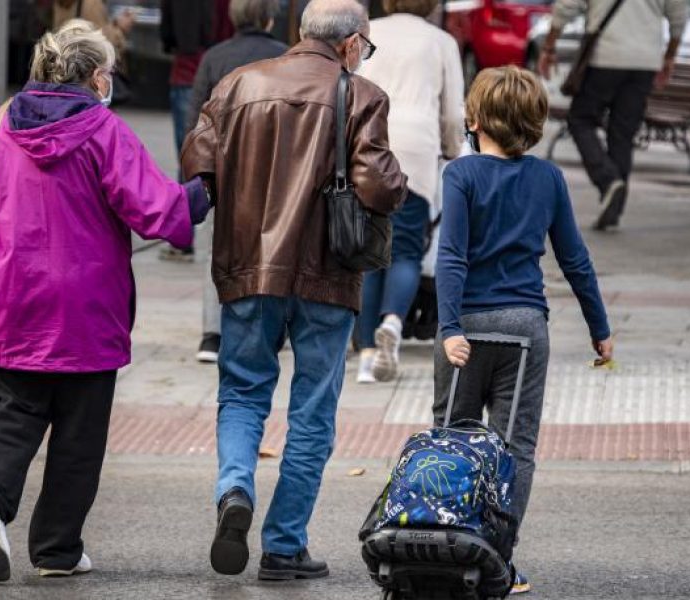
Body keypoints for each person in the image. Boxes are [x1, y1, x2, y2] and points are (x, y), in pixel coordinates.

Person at [0, 19, 210, 583]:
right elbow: (158, 212)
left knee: (10, 416)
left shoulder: (0, 121)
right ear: (97, 75)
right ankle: (57, 550)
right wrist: (204, 194)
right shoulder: (104, 131)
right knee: (78, 440)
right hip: (87, 312)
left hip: (12, 302)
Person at [181, 0, 407, 580]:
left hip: (247, 267)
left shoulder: (237, 85)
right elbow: (378, 186)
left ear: (301, 34)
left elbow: (196, 168)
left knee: (242, 392)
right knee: (312, 410)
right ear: (353, 43)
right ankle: (283, 546)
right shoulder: (361, 95)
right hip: (325, 272)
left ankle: (235, 490)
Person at [435, 66, 614, 595]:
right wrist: (598, 328)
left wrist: (447, 327)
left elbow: (451, 259)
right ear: (535, 123)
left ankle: (446, 548)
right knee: (516, 449)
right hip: (525, 329)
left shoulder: (460, 175)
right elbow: (575, 260)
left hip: (465, 329)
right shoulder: (548, 178)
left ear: (474, 118)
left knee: (453, 439)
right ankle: (498, 563)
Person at [354, 0, 464, 384]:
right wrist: (450, 150)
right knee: (405, 248)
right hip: (416, 150)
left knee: (369, 251)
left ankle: (367, 354)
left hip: (369, 144)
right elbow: (452, 113)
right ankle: (393, 322)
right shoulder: (441, 42)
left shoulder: (371, 30)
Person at [186, 0, 289, 363]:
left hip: (224, 172)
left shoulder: (214, 57)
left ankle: (211, 336)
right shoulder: (285, 57)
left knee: (215, 250)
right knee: (273, 248)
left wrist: (199, 175)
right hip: (275, 173)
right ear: (269, 17)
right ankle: (269, 327)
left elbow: (196, 120)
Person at [539, 0, 689, 230]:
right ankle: (614, 208)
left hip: (605, 56)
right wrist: (669, 56)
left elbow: (566, 6)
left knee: (580, 119)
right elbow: (678, 15)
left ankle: (608, 180)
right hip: (645, 61)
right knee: (622, 133)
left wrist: (549, 46)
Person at [160, 0, 233, 262]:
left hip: (187, 72)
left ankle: (183, 238)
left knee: (189, 155)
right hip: (226, 73)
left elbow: (168, 31)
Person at [52, 0, 134, 60]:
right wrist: (120, 28)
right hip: (86, 70)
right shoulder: (91, 3)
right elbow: (103, 44)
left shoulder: (61, 3)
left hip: (67, 64)